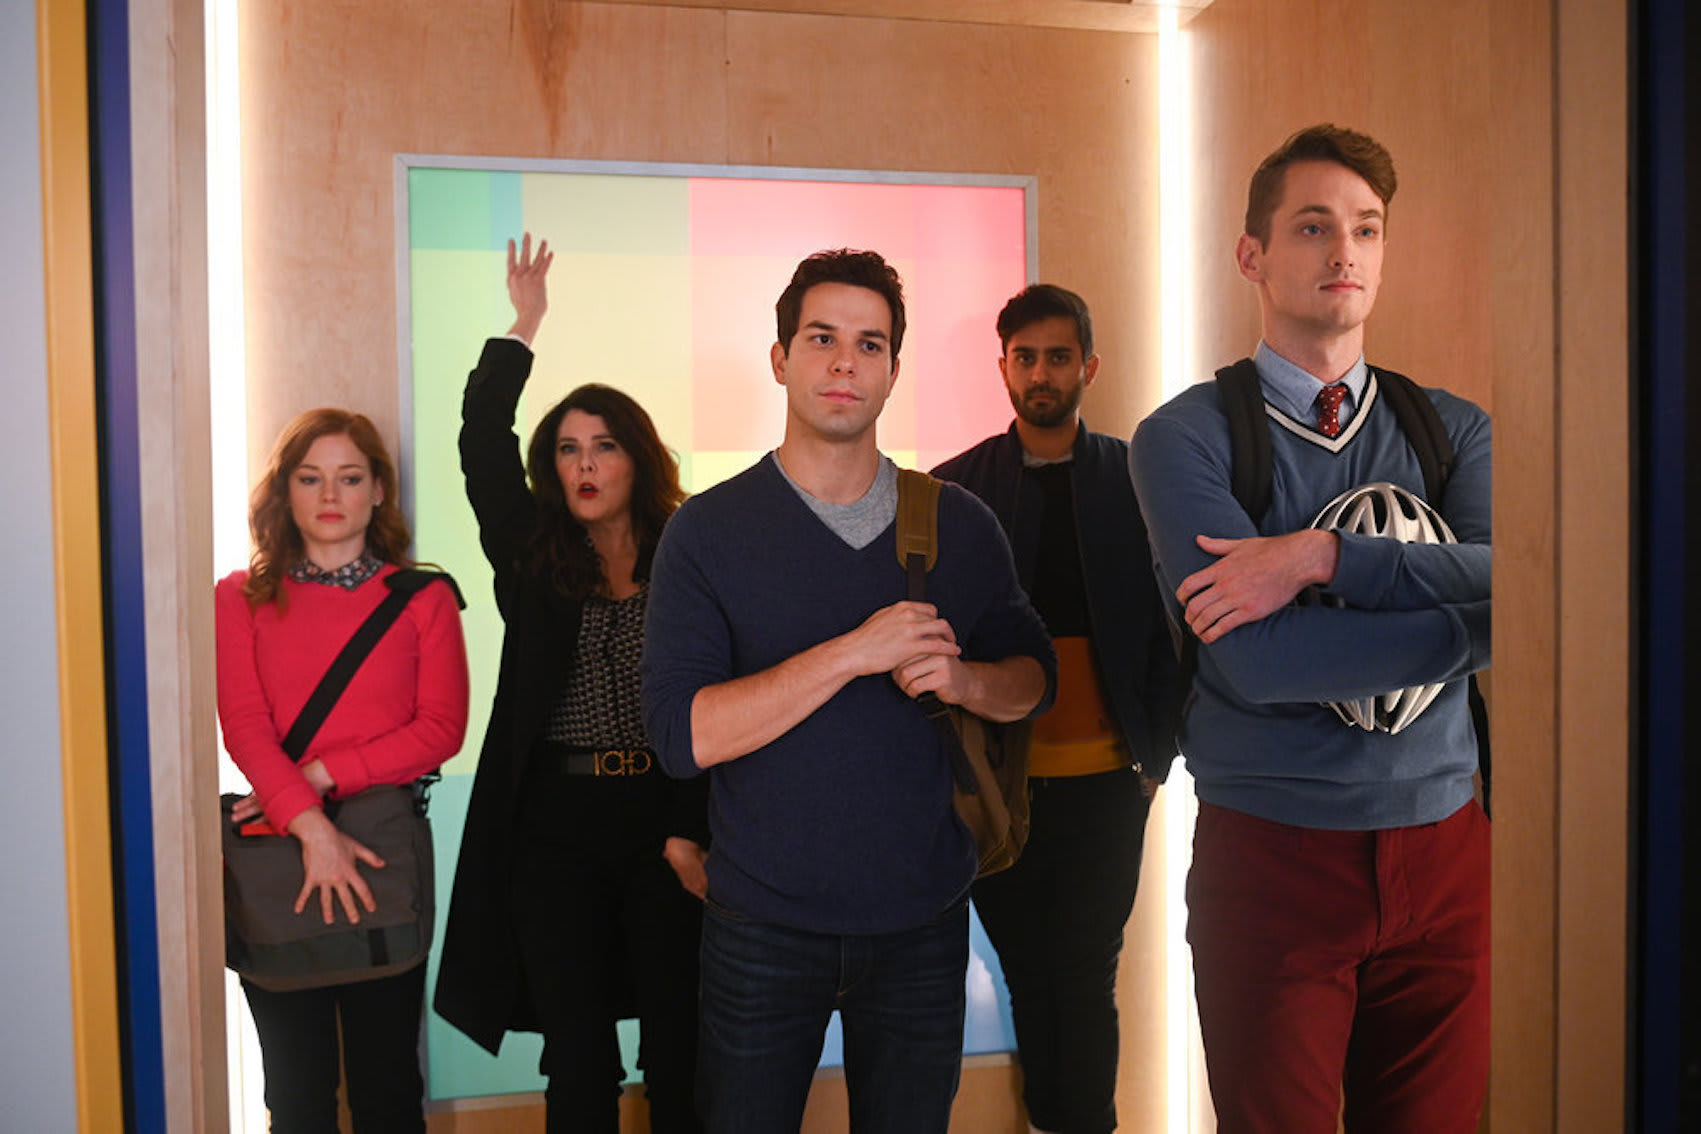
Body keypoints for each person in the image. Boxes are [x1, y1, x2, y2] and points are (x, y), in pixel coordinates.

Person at [640, 249, 1057, 1133]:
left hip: (923, 920)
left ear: (893, 371)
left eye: (868, 345)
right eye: (821, 338)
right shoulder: (705, 532)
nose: (843, 362)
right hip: (759, 924)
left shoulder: (957, 522)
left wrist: (968, 679)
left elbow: (1033, 681)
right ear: (780, 358)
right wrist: (851, 653)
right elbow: (684, 735)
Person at [1129, 124, 1492, 1133]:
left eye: (1367, 229)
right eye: (1314, 226)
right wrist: (1462, 620)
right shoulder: (1186, 437)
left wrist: (1320, 559)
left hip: (1449, 852)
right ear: (1253, 255)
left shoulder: (1452, 429)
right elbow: (1256, 660)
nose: (1345, 253)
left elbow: (1520, 596)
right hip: (1275, 860)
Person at [434, 234, 709, 1133]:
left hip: (663, 822)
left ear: (636, 458)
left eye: (602, 447)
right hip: (553, 829)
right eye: (566, 450)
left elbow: (711, 704)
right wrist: (523, 326)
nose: (584, 465)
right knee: (578, 1058)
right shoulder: (532, 558)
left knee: (681, 1049)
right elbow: (479, 441)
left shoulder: (689, 555)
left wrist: (687, 828)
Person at [931, 283, 1180, 1134]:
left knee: (1084, 973)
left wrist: (1159, 756)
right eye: (1025, 356)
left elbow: (1172, 629)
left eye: (1058, 356)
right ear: (1002, 365)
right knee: (1025, 972)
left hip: (1110, 780)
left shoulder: (1137, 482)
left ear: (1089, 367)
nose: (1041, 373)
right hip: (993, 784)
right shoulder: (953, 491)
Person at [216, 408, 470, 1132]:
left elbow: (440, 730)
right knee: (295, 1098)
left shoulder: (421, 598)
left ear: (378, 492)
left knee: (388, 1090)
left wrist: (325, 777)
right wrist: (312, 829)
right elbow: (245, 729)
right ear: (284, 493)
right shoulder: (237, 599)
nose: (330, 495)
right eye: (310, 477)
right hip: (276, 860)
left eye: (350, 477)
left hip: (382, 852)